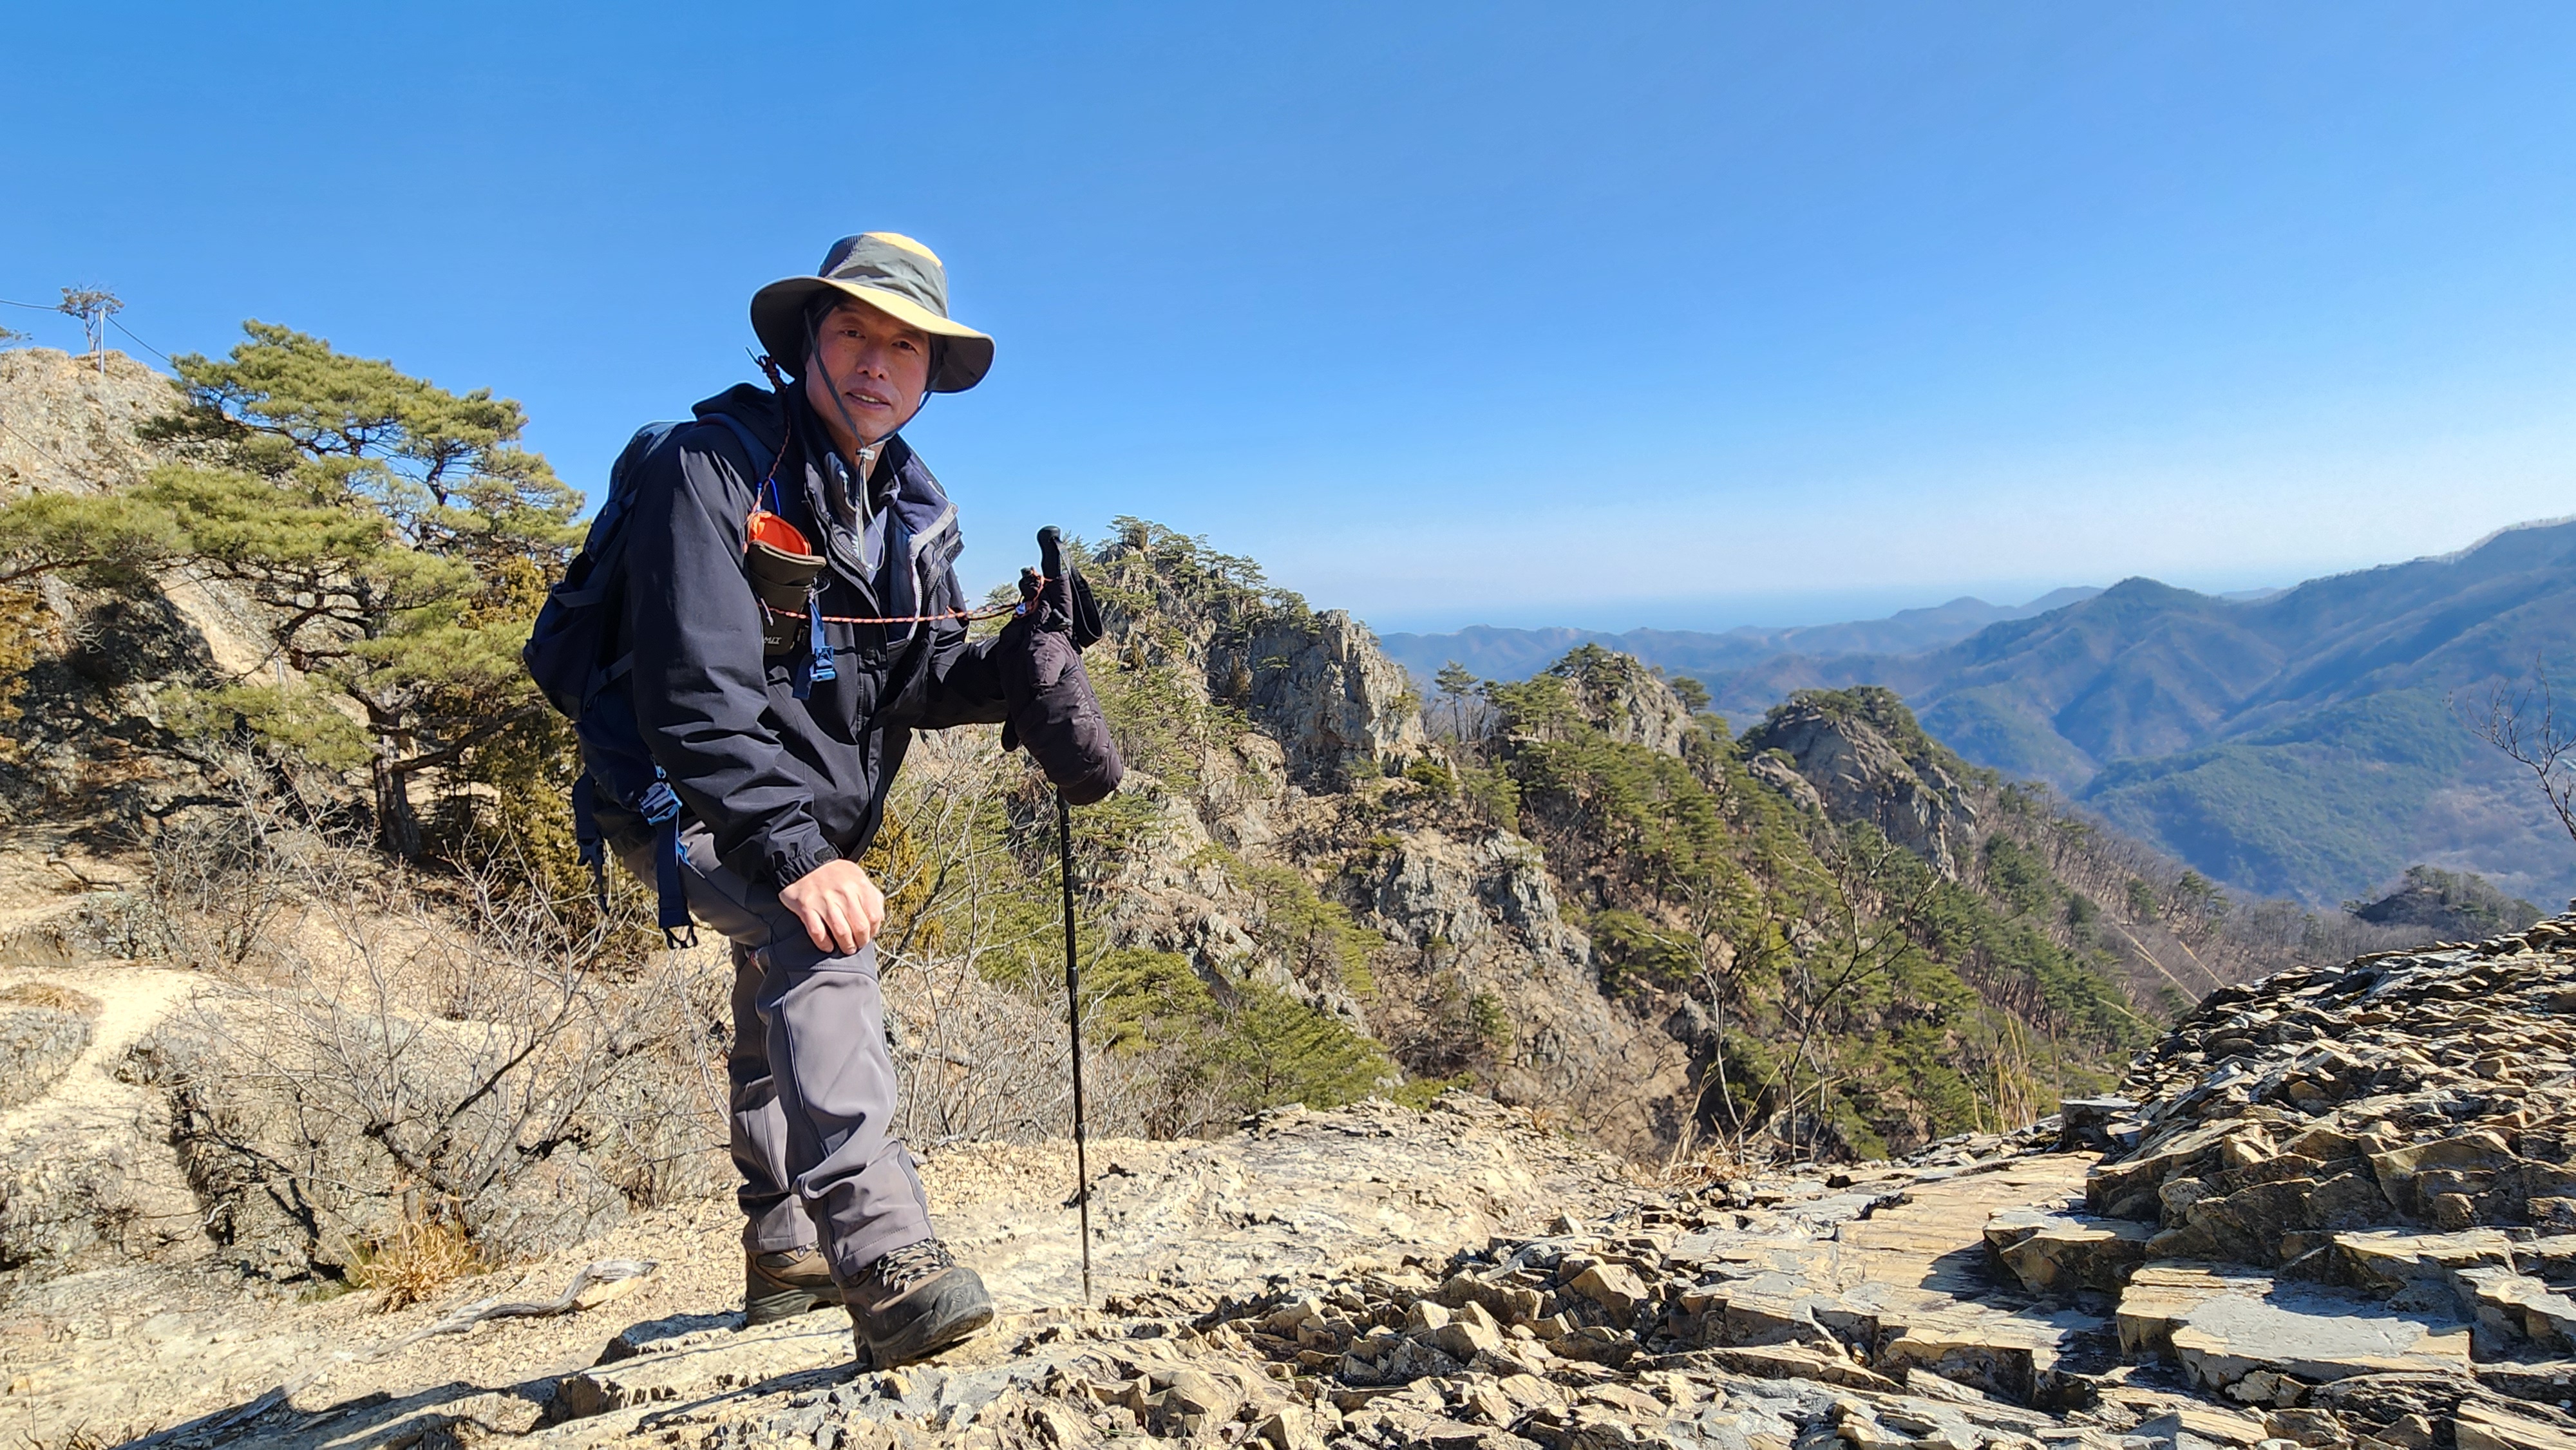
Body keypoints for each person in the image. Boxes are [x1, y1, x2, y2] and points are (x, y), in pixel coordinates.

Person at [596, 232, 1113, 1368]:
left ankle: (787, 1252)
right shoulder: (710, 469)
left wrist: (1027, 655)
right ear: (807, 345)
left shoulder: (906, 508)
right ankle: (886, 1259)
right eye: (852, 332)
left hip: (778, 811)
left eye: (905, 345)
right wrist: (797, 852)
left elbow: (923, 676)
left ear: (931, 372)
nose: (878, 362)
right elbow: (693, 694)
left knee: (775, 982)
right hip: (677, 798)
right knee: (817, 930)